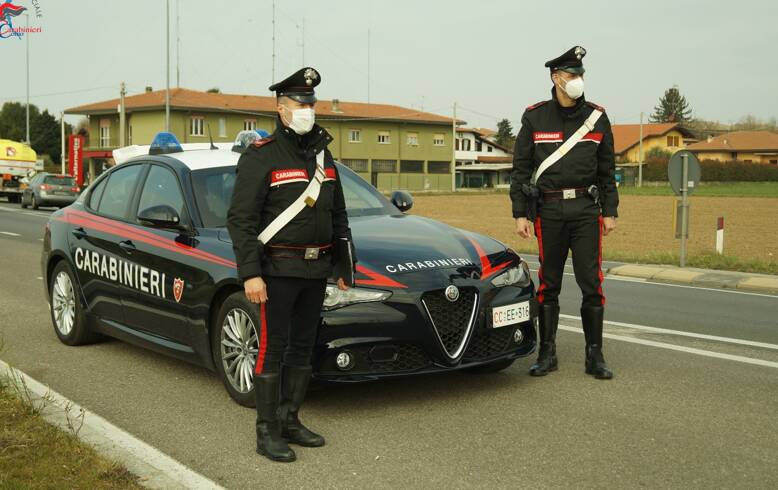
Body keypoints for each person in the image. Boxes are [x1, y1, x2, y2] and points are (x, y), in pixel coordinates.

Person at [227, 67, 355, 462]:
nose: (308, 109)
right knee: (272, 348)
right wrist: (250, 273)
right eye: (301, 103)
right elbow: (241, 220)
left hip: (316, 271)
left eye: (311, 103)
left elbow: (338, 213)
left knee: (302, 348)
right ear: (281, 109)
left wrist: (344, 265)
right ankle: (266, 432)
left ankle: (290, 419)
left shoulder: (323, 154)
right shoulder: (261, 155)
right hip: (276, 271)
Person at [510, 46, 618, 380]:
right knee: (549, 284)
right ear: (556, 78)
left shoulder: (597, 118)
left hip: (586, 209)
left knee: (592, 283)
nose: (578, 81)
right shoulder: (535, 116)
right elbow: (520, 168)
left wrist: (610, 210)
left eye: (580, 75)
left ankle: (595, 356)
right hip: (549, 211)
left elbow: (607, 169)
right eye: (572, 75)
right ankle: (547, 353)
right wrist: (520, 213)